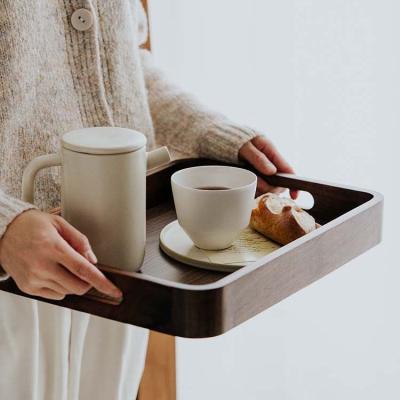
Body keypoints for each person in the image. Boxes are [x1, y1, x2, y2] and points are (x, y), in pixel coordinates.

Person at [0, 1, 296, 399]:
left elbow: (126, 59)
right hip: (13, 283)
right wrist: (4, 226)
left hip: (116, 263)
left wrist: (209, 132)